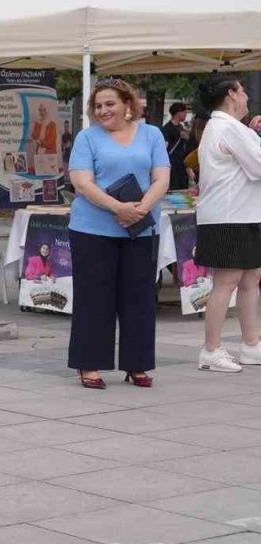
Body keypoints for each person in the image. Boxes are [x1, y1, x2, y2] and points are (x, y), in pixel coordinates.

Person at [67, 77, 170, 389]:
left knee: (139, 298)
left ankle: (136, 364)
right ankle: (89, 364)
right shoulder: (87, 139)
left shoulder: (152, 135)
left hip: (140, 230)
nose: (103, 110)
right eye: (98, 106)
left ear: (128, 104)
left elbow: (161, 178)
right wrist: (118, 208)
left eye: (110, 104)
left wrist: (139, 210)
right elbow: (82, 182)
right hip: (92, 231)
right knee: (94, 299)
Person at [191, 75, 261, 373]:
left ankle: (251, 344)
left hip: (241, 214)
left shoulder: (227, 127)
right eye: (243, 91)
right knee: (227, 282)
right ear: (232, 94)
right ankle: (211, 349)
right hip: (228, 217)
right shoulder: (227, 127)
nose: (246, 97)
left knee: (250, 280)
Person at [162, 103, 192, 190]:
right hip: (172, 164)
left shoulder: (181, 127)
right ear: (179, 113)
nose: (186, 114)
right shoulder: (167, 129)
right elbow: (164, 147)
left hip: (181, 164)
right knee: (174, 187)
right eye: (184, 112)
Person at [30, 102, 59, 175]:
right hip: (39, 153)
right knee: (39, 175)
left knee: (49, 178)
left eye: (44, 110)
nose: (42, 112)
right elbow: (34, 135)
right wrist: (39, 124)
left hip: (50, 155)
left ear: (47, 111)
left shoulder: (52, 125)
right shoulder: (37, 123)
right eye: (40, 110)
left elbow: (50, 142)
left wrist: (40, 142)